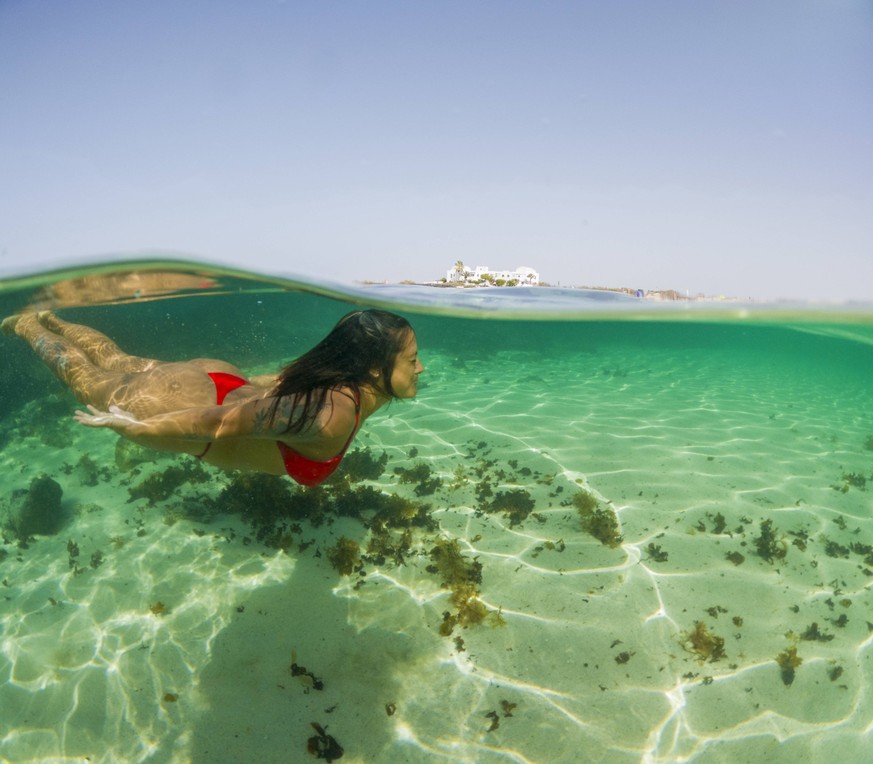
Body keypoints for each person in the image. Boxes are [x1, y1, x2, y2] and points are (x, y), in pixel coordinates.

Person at [2, 309, 424, 486]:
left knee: (117, 361)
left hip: (222, 380)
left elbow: (273, 383)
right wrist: (134, 426)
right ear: (373, 368)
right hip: (194, 407)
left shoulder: (365, 385)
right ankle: (29, 327)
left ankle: (51, 318)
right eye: (412, 360)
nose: (420, 368)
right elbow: (220, 424)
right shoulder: (329, 416)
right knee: (89, 381)